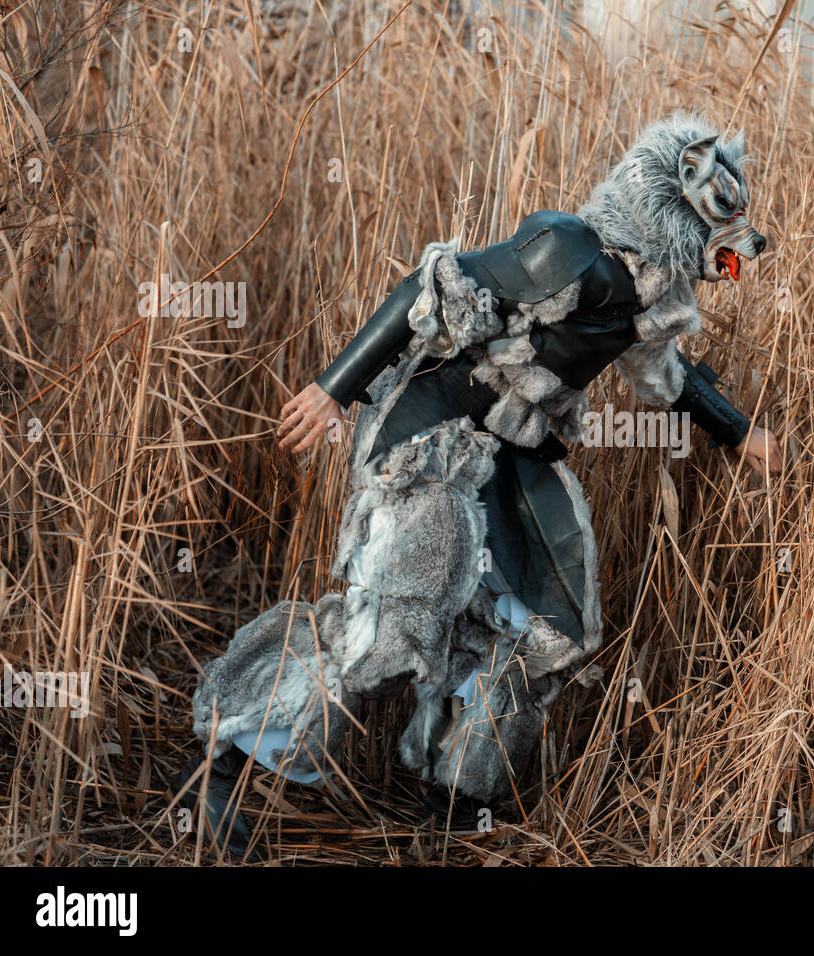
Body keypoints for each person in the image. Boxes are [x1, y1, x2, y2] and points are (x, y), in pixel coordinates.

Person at [171, 112, 782, 860]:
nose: (734, 247)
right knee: (392, 624)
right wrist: (332, 388)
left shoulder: (649, 302)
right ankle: (221, 765)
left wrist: (741, 433)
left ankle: (457, 799)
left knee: (552, 627)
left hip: (511, 454)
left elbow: (669, 380)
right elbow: (431, 287)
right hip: (431, 436)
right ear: (671, 207)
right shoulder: (569, 248)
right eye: (719, 219)